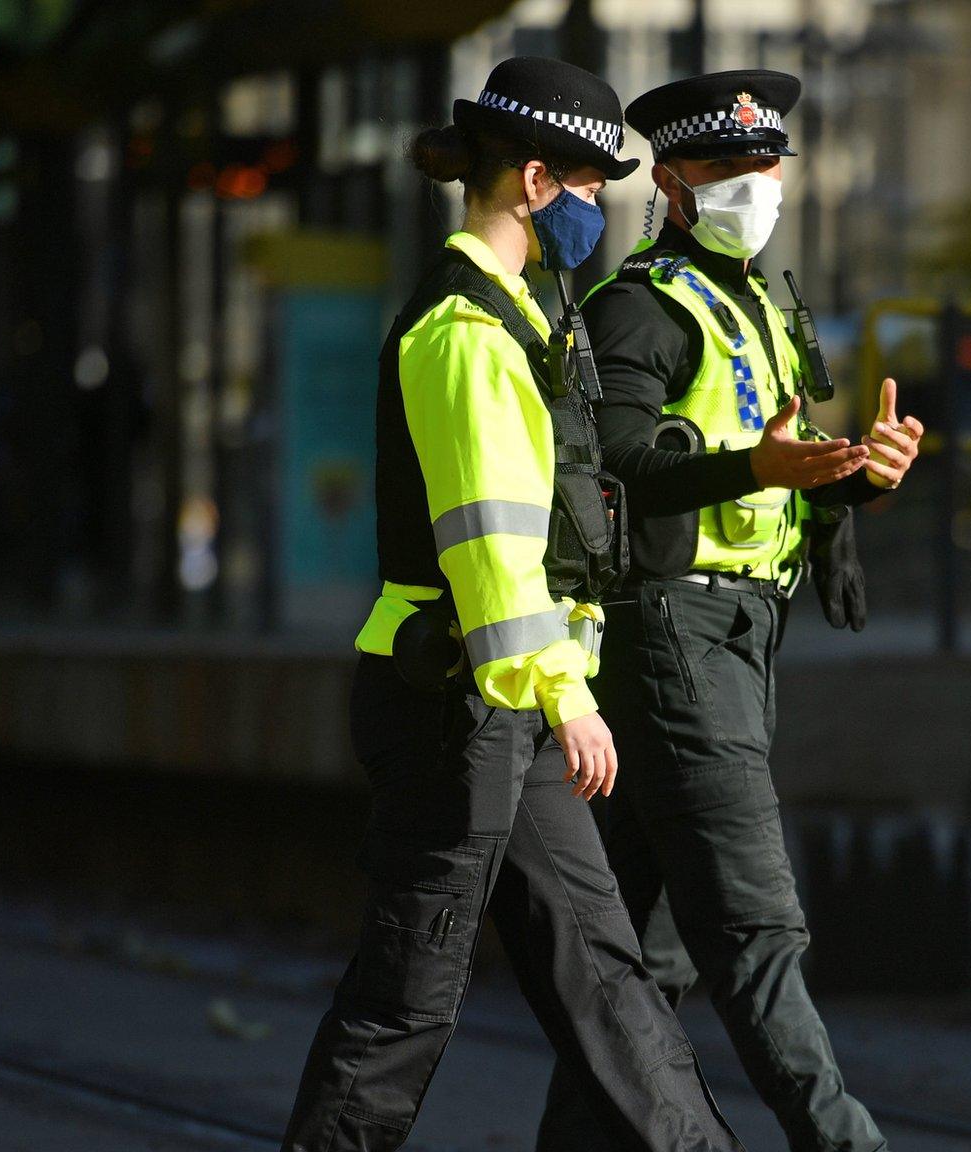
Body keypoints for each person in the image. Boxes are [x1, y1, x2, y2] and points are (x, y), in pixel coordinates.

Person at [279, 57, 743, 1152]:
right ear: (534, 180)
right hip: (454, 703)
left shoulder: (522, 319)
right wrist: (564, 695)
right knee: (405, 997)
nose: (596, 207)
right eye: (587, 185)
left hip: (508, 707)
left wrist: (554, 695)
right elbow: (488, 549)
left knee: (607, 979)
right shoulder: (464, 334)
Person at [536, 71, 923, 1152]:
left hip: (744, 639)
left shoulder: (762, 304)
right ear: (668, 182)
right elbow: (614, 460)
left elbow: (776, 472)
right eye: (725, 169)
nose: (754, 185)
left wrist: (856, 479)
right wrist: (757, 459)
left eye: (766, 167)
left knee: (642, 967)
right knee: (753, 933)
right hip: (672, 635)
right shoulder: (639, 308)